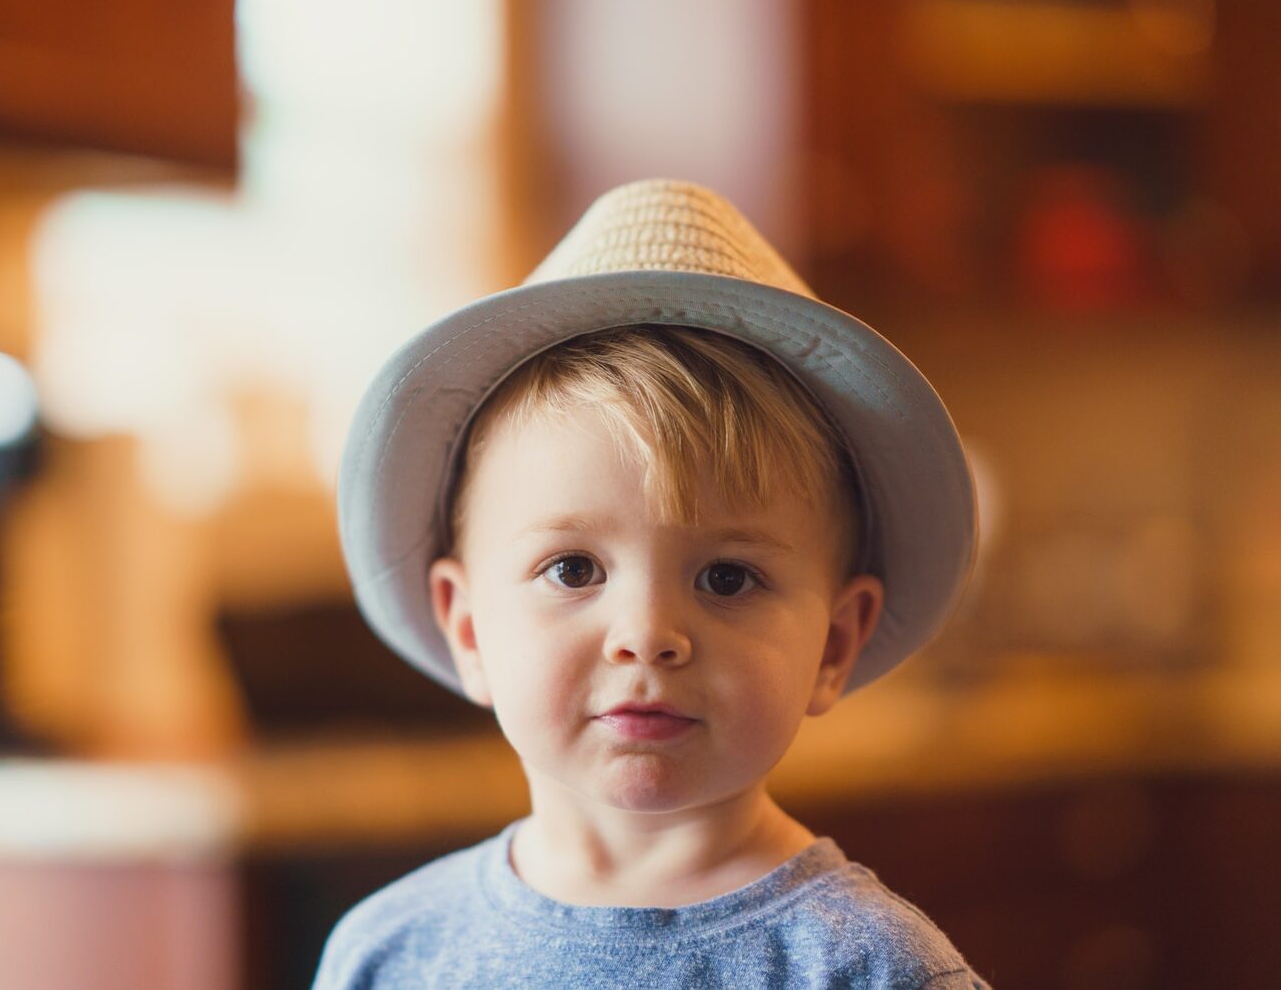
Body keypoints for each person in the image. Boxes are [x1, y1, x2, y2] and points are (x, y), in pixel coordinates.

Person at [315, 179, 991, 988]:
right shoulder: (390, 953)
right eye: (573, 569)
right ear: (468, 630)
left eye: (727, 576)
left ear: (834, 642)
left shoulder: (868, 966)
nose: (648, 631)